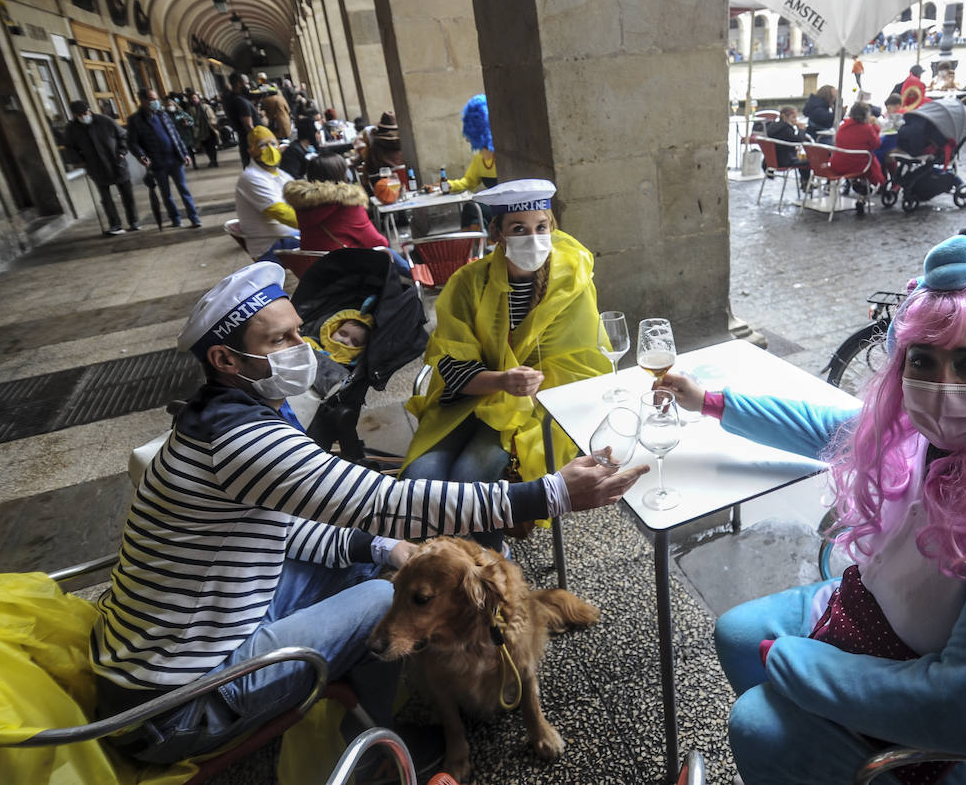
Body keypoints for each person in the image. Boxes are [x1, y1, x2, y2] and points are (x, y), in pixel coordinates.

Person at [89, 261, 644, 771]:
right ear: (226, 360)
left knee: (380, 569)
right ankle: (382, 749)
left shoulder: (212, 418)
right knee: (383, 600)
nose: (301, 346)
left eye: (297, 331)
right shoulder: (241, 442)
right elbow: (385, 502)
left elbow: (292, 529)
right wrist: (548, 494)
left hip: (165, 659)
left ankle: (365, 688)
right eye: (279, 339)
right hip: (173, 709)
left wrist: (382, 549)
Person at [655, 236, 966, 785]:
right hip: (909, 629)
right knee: (739, 634)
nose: (939, 387)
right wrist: (711, 401)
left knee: (758, 722)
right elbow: (824, 425)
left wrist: (792, 664)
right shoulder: (928, 430)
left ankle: (799, 745)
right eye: (923, 361)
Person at [402, 180, 612, 552]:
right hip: (472, 395)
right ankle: (448, 558)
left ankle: (490, 553)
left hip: (540, 403)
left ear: (552, 226)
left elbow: (582, 362)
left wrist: (522, 387)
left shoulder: (570, 281)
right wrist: (503, 380)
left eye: (540, 227)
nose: (533, 238)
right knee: (422, 479)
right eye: (519, 229)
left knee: (470, 475)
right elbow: (451, 366)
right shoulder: (467, 283)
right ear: (496, 232)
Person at [283, 151, 392, 253]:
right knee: (390, 253)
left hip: (315, 269)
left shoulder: (302, 204)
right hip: (348, 267)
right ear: (342, 174)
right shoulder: (349, 205)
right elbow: (378, 242)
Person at [126, 88, 202, 229]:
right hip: (157, 163)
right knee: (166, 194)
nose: (156, 102)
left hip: (175, 159)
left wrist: (184, 153)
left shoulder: (163, 115)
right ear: (142, 101)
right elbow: (132, 143)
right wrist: (141, 155)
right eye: (152, 99)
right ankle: (175, 219)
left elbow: (175, 135)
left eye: (156, 98)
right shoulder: (135, 120)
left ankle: (194, 218)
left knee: (183, 189)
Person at [63, 99, 138, 235]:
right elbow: (69, 147)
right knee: (106, 198)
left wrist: (121, 152)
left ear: (90, 110)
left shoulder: (105, 121)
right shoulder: (72, 128)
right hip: (95, 166)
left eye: (85, 113)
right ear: (74, 115)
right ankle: (115, 225)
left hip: (116, 163)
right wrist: (80, 161)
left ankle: (134, 222)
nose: (83, 117)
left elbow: (123, 136)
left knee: (127, 195)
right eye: (79, 115)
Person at [236, 126, 300, 261]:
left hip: (286, 236)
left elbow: (301, 196)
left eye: (272, 143)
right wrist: (313, 224)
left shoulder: (281, 174)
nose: (270, 149)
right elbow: (280, 212)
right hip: (271, 246)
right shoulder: (251, 178)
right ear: (251, 151)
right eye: (262, 145)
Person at [447, 94, 499, 229]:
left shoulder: (503, 156)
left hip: (509, 207)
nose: (466, 139)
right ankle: (477, 247)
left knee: (472, 210)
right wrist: (446, 185)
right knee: (471, 210)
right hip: (493, 205)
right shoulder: (479, 159)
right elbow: (469, 182)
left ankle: (476, 247)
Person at [829, 102, 884, 187]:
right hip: (857, 166)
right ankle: (872, 187)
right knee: (873, 160)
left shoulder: (843, 126)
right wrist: (875, 127)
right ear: (866, 115)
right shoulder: (867, 129)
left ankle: (859, 185)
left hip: (838, 165)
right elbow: (876, 145)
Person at [767, 105, 812, 190]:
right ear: (784, 116)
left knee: (802, 159)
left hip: (773, 160)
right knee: (809, 161)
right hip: (784, 160)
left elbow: (787, 142)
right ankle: (806, 182)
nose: (795, 120)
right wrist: (801, 129)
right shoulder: (785, 129)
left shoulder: (773, 126)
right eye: (793, 117)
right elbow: (798, 140)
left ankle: (805, 182)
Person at [222, 72, 258, 168]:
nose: (248, 86)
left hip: (244, 140)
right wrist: (259, 140)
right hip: (250, 142)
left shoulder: (231, 98)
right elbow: (248, 125)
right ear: (239, 83)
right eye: (246, 83)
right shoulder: (240, 101)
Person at [186, 90, 221, 169]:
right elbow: (190, 119)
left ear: (198, 98)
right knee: (206, 147)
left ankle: (214, 161)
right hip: (200, 131)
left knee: (212, 146)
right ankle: (212, 160)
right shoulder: (190, 109)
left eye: (195, 97)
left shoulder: (205, 106)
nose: (194, 99)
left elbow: (212, 116)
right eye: (192, 98)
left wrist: (212, 123)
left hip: (209, 129)